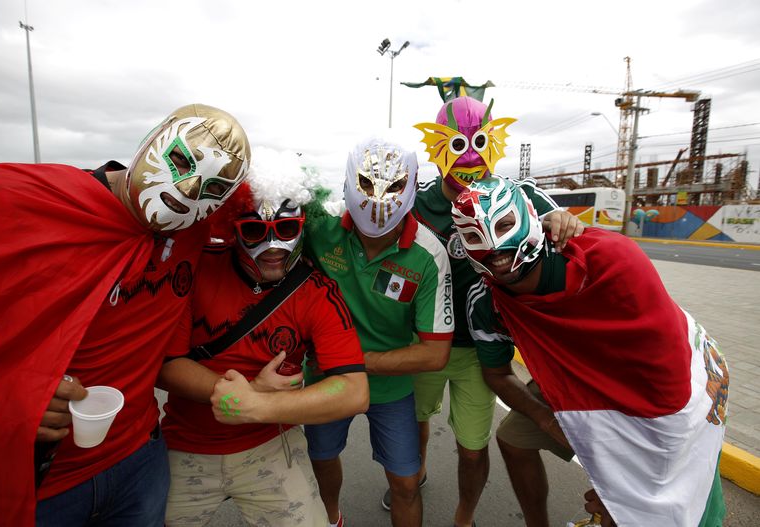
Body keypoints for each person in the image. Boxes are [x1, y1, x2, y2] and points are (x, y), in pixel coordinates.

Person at [0, 104, 251, 527]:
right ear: (152, 138)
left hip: (139, 459)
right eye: (180, 161)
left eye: (212, 189)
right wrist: (10, 393)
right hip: (41, 481)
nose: (187, 189)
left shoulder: (192, 231)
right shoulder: (19, 200)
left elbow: (287, 222)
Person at [453, 176, 728, 527]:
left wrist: (620, 488)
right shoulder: (485, 303)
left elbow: (663, 388)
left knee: (663, 495)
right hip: (570, 381)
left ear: (530, 220)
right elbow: (497, 373)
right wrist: (545, 418)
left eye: (505, 225)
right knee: (513, 438)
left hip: (655, 384)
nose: (494, 246)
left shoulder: (608, 258)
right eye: (475, 236)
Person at [390, 96, 581, 527]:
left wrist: (564, 220)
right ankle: (411, 479)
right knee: (417, 426)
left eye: (478, 142)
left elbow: (564, 226)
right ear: (437, 149)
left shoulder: (519, 195)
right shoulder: (416, 205)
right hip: (422, 345)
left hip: (482, 352)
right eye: (457, 145)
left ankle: (464, 518)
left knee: (472, 448)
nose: (470, 157)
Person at [157, 148, 369, 527]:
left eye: (286, 230)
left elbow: (353, 390)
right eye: (255, 231)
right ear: (233, 229)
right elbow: (167, 366)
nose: (273, 248)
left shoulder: (318, 292)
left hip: (270, 445)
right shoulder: (198, 271)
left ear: (304, 225)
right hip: (185, 446)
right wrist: (240, 391)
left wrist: (257, 406)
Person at [303, 136, 454, 527]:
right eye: (366, 187)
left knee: (406, 482)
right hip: (326, 379)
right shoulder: (322, 224)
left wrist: (352, 363)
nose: (378, 204)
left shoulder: (429, 254)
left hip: (387, 386)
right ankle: (332, 517)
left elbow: (434, 353)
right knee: (321, 460)